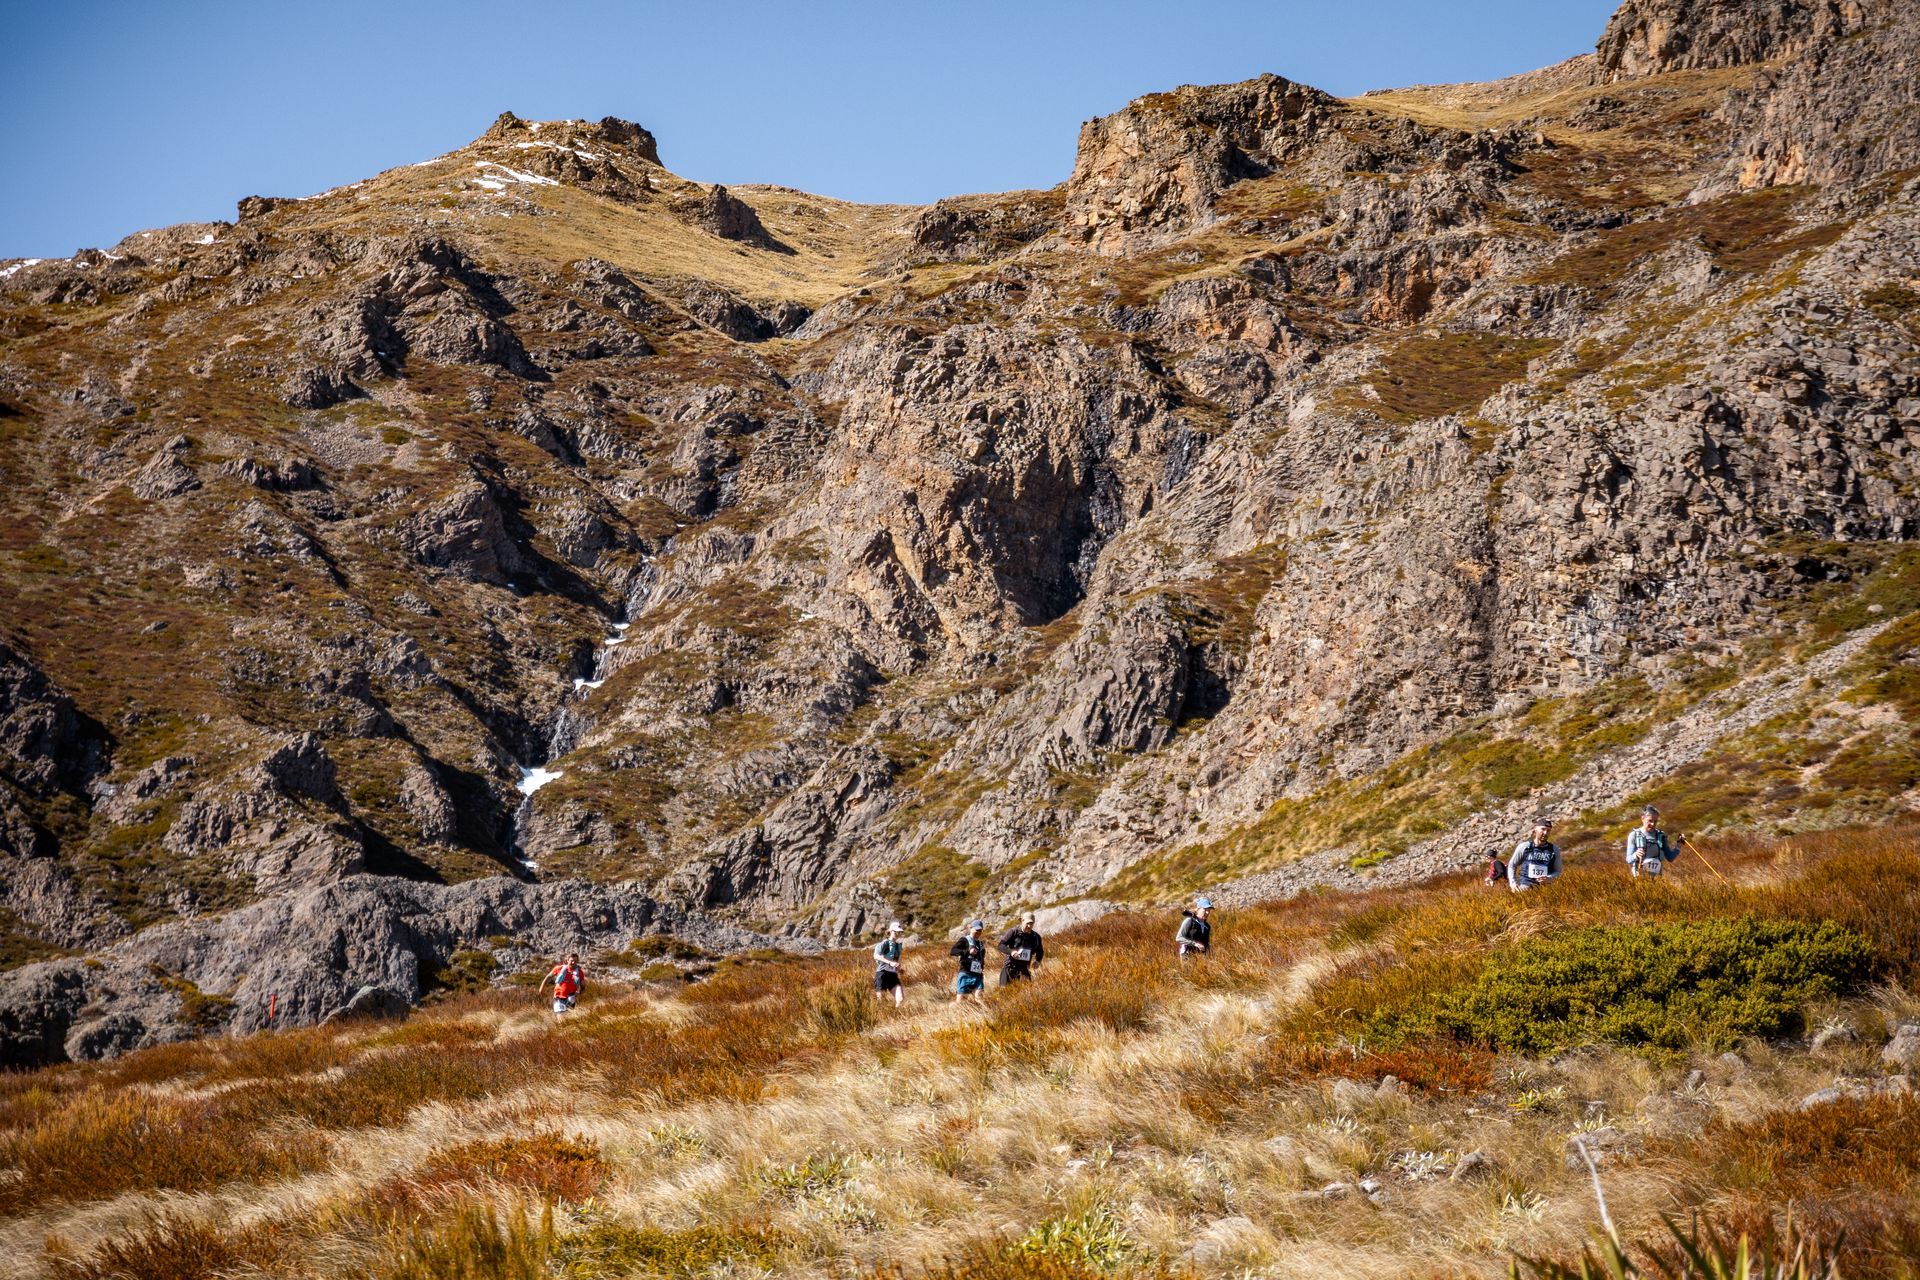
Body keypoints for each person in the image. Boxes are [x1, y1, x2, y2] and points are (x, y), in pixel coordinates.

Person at [1506, 819, 1561, 893]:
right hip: (1525, 888)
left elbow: (1558, 872)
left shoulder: (1554, 849)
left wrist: (1549, 878)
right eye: (1543, 829)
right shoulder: (1524, 847)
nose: (1545, 833)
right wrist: (1513, 884)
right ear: (1535, 829)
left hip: (1546, 889)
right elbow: (1511, 865)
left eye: (1548, 830)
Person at [1625, 806, 1680, 878]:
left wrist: (1679, 846)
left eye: (1655, 821)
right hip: (1639, 878)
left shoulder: (1661, 836)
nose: (1653, 824)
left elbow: (1670, 857)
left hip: (1657, 879)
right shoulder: (1634, 835)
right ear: (1642, 819)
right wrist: (1636, 855)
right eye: (1650, 821)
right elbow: (1628, 859)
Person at [996, 913, 1045, 986]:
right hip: (1009, 968)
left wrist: (1038, 961)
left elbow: (1040, 950)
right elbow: (1000, 945)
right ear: (1022, 921)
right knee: (1004, 993)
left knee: (1026, 992)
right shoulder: (1013, 932)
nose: (1029, 926)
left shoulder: (1036, 937)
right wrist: (1011, 952)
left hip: (1024, 970)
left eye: (1031, 924)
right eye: (1027, 923)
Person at [539, 952, 585, 1020]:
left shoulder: (579, 972)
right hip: (558, 997)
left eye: (575, 961)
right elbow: (548, 977)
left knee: (569, 1019)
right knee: (561, 1019)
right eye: (571, 960)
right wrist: (541, 988)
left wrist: (579, 992)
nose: (573, 962)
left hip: (571, 998)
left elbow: (583, 985)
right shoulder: (559, 968)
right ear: (567, 960)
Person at [951, 921, 988, 1002]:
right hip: (965, 974)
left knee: (980, 999)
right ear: (971, 928)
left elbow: (981, 960)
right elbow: (953, 951)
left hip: (978, 976)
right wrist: (967, 951)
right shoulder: (964, 940)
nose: (978, 932)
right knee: (961, 1002)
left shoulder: (981, 944)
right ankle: (952, 1010)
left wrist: (981, 972)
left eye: (980, 930)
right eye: (976, 929)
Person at [873, 921, 906, 1006]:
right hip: (882, 974)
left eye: (899, 932)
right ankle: (882, 1017)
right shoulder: (884, 943)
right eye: (896, 931)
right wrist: (890, 962)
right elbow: (876, 956)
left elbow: (895, 961)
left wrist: (899, 969)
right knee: (881, 1001)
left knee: (900, 999)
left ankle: (896, 1017)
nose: (898, 934)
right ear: (891, 931)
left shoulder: (898, 946)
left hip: (893, 975)